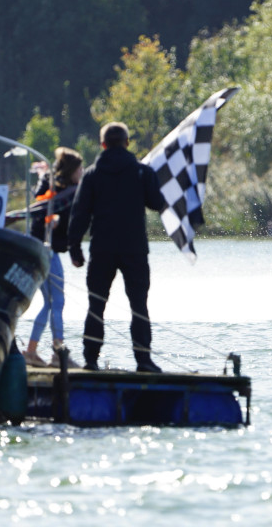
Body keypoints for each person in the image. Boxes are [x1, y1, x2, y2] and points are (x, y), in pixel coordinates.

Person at [67, 122, 167, 373]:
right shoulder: (141, 172)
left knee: (96, 305)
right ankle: (143, 361)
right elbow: (157, 203)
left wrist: (74, 248)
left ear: (103, 145)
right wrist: (153, 178)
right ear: (127, 142)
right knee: (139, 306)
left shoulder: (91, 175)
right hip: (134, 250)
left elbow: (79, 214)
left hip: (101, 249)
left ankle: (91, 360)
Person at [24, 147, 84, 368]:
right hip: (46, 249)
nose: (82, 172)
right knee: (57, 301)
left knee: (49, 303)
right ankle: (59, 353)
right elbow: (45, 210)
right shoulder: (63, 191)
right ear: (72, 171)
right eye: (80, 169)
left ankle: (31, 351)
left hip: (35, 248)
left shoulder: (52, 183)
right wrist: (54, 219)